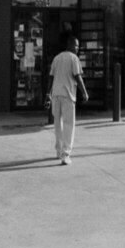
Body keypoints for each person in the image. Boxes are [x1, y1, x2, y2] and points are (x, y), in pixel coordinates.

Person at [48, 34, 89, 165]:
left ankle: (59, 150)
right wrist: (85, 93)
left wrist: (47, 94)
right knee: (68, 125)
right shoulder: (74, 58)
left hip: (56, 95)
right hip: (68, 95)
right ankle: (66, 154)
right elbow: (78, 77)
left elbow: (51, 77)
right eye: (76, 46)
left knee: (57, 124)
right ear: (70, 45)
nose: (78, 48)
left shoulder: (57, 58)